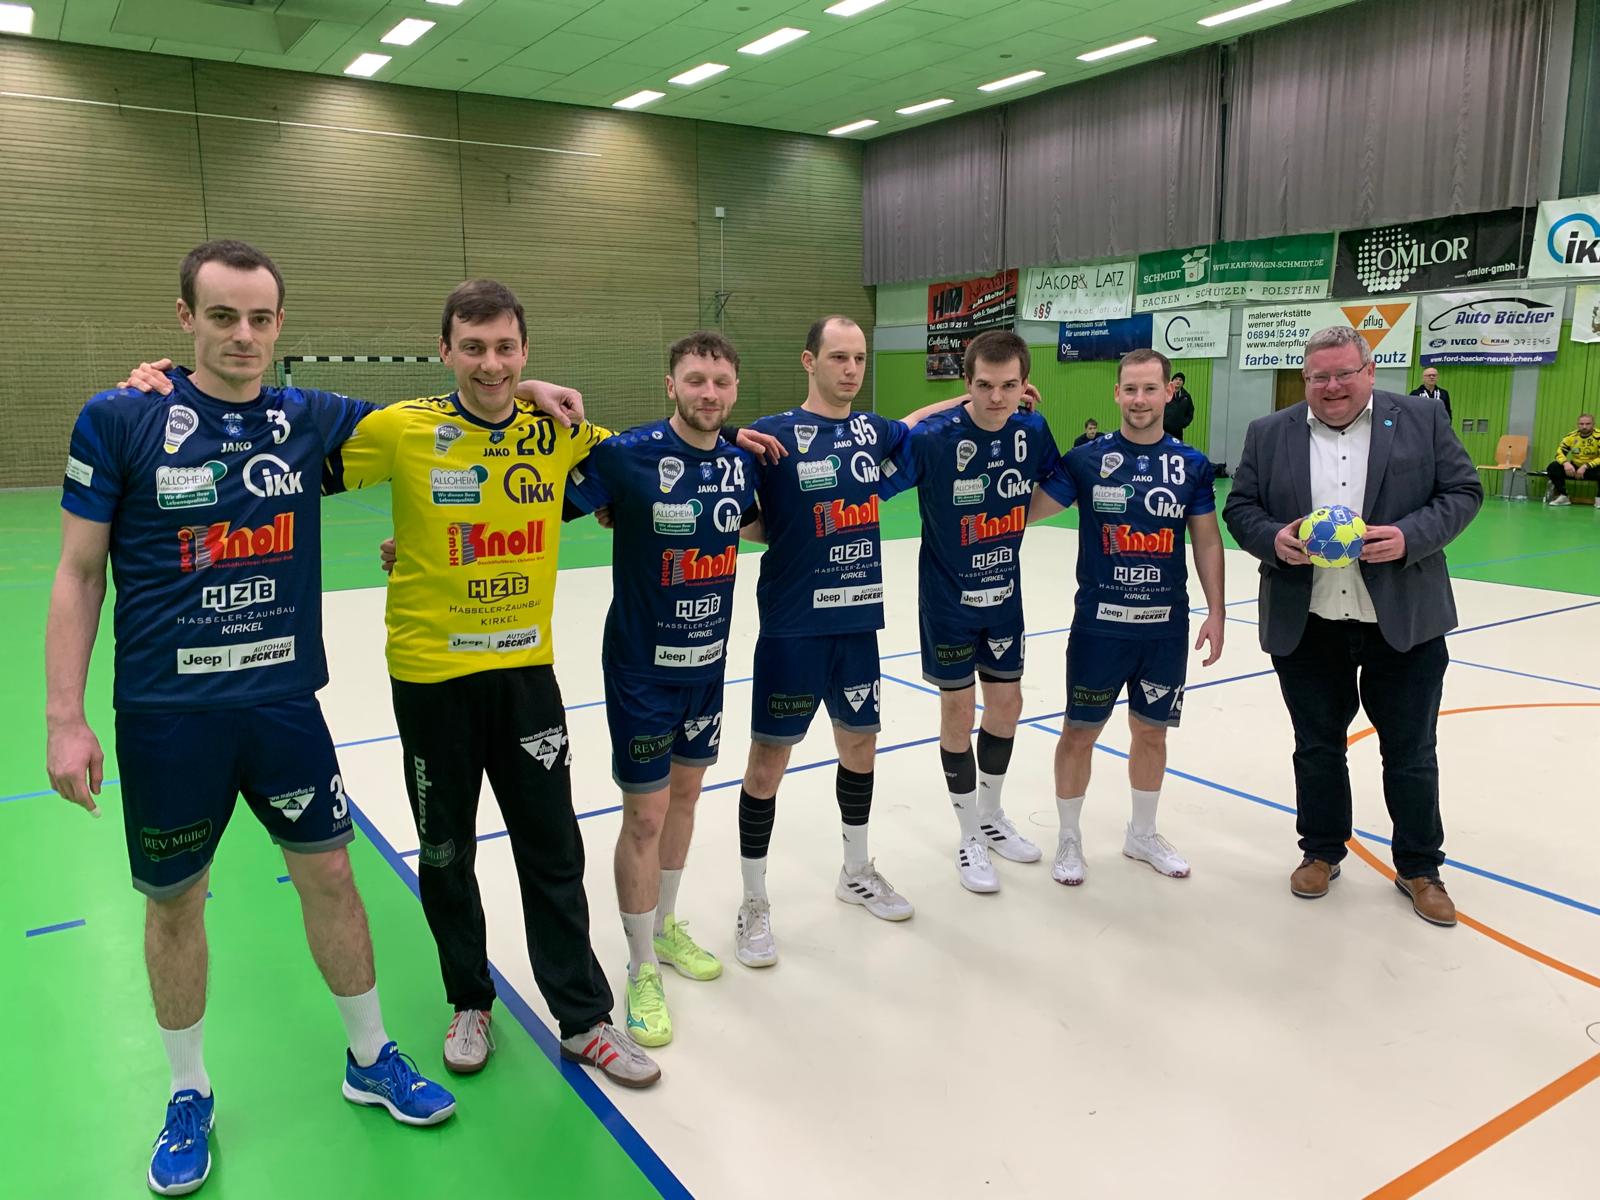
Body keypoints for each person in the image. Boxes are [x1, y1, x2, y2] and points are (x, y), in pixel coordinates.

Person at [47, 240, 455, 1197]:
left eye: (260, 318)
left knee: (333, 878)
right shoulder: (120, 418)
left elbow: (441, 423)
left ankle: (370, 1057)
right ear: (184, 317)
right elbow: (78, 573)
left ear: (279, 325)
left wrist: (532, 389)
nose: (242, 335)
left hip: (282, 708)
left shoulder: (308, 418)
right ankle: (188, 1091)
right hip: (167, 716)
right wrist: (65, 717)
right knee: (175, 903)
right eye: (223, 315)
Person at [319, 279, 661, 1086]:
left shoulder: (557, 430)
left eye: (506, 348)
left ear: (525, 351)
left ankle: (584, 1019)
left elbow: (654, 455)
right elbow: (290, 461)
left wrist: (744, 441)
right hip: (432, 680)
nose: (491, 363)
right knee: (445, 851)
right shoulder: (403, 429)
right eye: (473, 347)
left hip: (524, 677)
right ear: (445, 351)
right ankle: (469, 999)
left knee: (553, 848)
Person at [1222, 325, 1482, 926]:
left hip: (1403, 620)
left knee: (1411, 750)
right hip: (1309, 620)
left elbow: (1463, 491)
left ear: (1369, 371)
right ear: (1305, 379)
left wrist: (1409, 537)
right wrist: (1273, 539)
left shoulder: (1421, 419)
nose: (1332, 386)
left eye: (1344, 374)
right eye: (1319, 377)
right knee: (1317, 746)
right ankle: (1320, 851)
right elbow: (1241, 507)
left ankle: (1420, 868)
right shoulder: (1269, 432)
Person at [733, 315, 957, 966]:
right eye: (838, 357)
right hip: (793, 626)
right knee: (767, 764)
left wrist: (973, 398)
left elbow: (913, 424)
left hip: (857, 624)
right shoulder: (771, 435)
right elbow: (737, 507)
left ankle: (856, 871)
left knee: (859, 745)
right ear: (810, 361)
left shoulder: (869, 431)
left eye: (859, 357)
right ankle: (754, 902)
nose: (851, 369)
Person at [562, 331, 760, 1046]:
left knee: (685, 799)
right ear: (670, 385)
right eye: (695, 380)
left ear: (734, 389)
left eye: (721, 382)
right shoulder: (626, 455)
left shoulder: (741, 462)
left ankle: (666, 925)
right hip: (642, 670)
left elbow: (769, 524)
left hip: (708, 665)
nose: (709, 392)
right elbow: (532, 502)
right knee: (644, 816)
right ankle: (641, 963)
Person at [1028, 349, 1225, 886]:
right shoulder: (1087, 460)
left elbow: (1207, 540)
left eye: (1150, 389)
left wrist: (1217, 611)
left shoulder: (1191, 465)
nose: (1140, 400)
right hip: (1100, 627)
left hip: (1164, 628)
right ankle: (1070, 838)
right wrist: (1023, 430)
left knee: (1152, 733)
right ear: (1116, 394)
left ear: (1168, 393)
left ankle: (1142, 834)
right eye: (1130, 389)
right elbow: (1028, 510)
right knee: (1079, 732)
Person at [880, 329, 1059, 892]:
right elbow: (882, 468)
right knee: (958, 713)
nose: (997, 397)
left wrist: (1016, 517)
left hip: (1004, 597)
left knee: (1008, 704)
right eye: (984, 386)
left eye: (1009, 386)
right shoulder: (935, 438)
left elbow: (1059, 482)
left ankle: (990, 813)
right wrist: (942, 407)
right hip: (947, 601)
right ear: (967, 384)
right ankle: (968, 836)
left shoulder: (1032, 430)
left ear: (1025, 385)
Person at [1543, 412, 1599, 506]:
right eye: (1581, 424)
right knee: (1553, 467)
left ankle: (1599, 499)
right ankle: (1564, 496)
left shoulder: (1598, 436)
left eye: (1588, 424)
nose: (1584, 426)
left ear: (1593, 424)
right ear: (1577, 424)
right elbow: (1559, 453)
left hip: (1593, 469)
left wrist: (1586, 466)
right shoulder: (1571, 436)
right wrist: (1566, 463)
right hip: (1575, 470)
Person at [1162, 371, 1195, 441]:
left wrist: (1183, 424)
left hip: (1177, 432)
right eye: (1176, 379)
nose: (1178, 381)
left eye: (1180, 380)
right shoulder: (1165, 394)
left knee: (1176, 447)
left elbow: (1190, 412)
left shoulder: (1186, 397)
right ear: (1172, 381)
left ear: (1183, 383)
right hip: (1163, 430)